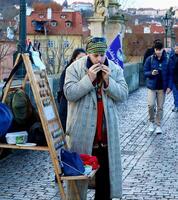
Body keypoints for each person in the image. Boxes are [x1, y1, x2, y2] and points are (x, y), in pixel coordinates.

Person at [64, 36, 128, 200]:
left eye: (102, 55)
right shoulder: (74, 68)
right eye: (95, 56)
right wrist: (89, 80)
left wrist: (108, 82)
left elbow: (123, 94)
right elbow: (69, 94)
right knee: (79, 183)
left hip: (106, 136)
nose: (100, 59)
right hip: (82, 134)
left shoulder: (114, 69)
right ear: (88, 54)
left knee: (105, 182)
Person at [144, 41, 173, 134]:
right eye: (157, 50)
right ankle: (151, 122)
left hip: (162, 88)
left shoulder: (167, 59)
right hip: (152, 87)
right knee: (151, 105)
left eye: (160, 50)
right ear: (155, 50)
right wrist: (151, 73)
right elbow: (144, 72)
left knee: (160, 107)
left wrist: (169, 86)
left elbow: (170, 74)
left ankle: (158, 125)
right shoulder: (150, 59)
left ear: (162, 49)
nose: (158, 52)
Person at [57, 48, 86, 132]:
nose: (82, 61)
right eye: (80, 58)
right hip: (67, 109)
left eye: (84, 58)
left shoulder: (83, 71)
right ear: (74, 59)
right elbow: (66, 91)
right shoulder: (67, 71)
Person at [170, 43, 178, 112]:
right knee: (175, 93)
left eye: (177, 48)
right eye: (175, 48)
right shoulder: (171, 57)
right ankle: (176, 106)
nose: (176, 50)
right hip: (174, 78)